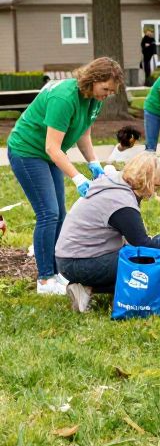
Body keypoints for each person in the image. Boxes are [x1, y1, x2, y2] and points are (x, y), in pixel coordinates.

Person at [6, 58, 124, 295]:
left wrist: (93, 163)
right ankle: (45, 280)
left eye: (112, 91)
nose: (108, 94)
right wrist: (77, 178)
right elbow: (52, 147)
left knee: (60, 212)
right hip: (28, 152)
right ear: (93, 80)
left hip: (49, 154)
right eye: (106, 89)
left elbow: (83, 132)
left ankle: (58, 272)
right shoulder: (65, 97)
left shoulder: (92, 98)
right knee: (48, 213)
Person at [55, 152, 160, 312]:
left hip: (69, 259)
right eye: (156, 187)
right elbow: (142, 244)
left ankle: (86, 288)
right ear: (148, 181)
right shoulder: (121, 202)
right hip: (80, 262)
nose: (154, 193)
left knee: (139, 255)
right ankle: (90, 285)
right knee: (147, 260)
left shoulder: (115, 183)